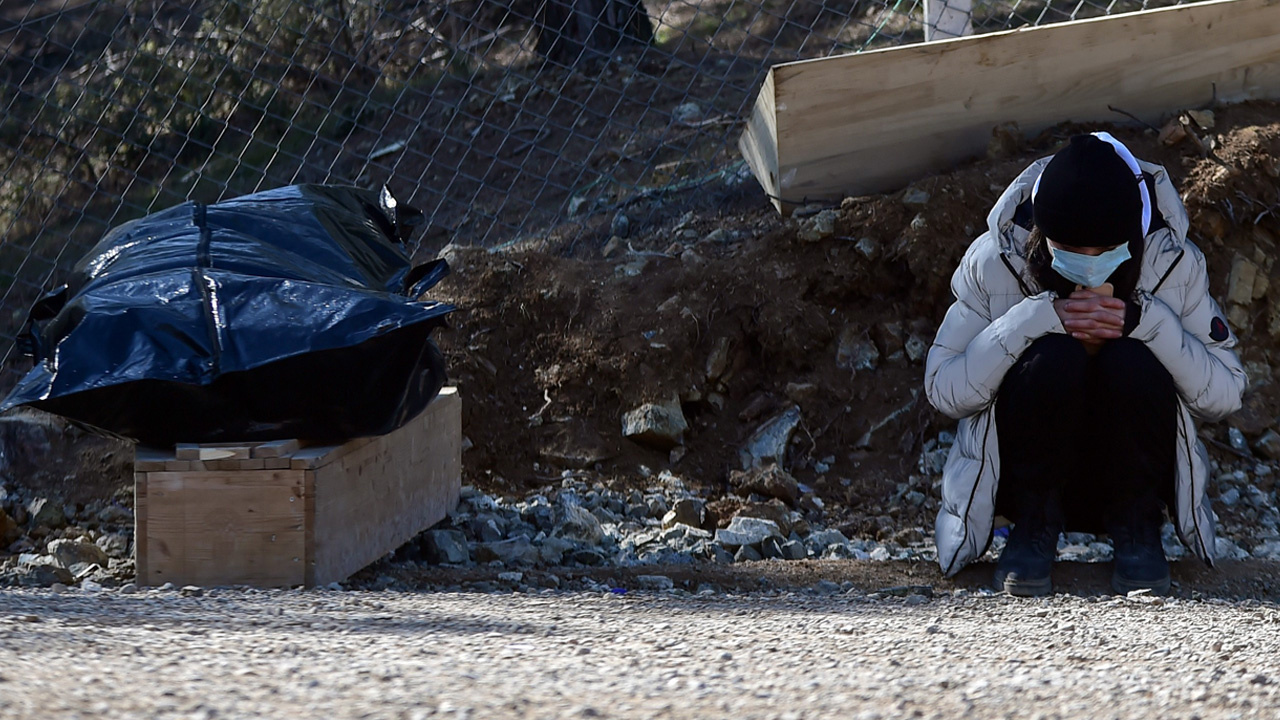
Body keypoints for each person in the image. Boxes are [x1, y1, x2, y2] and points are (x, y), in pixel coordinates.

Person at [924, 132, 1246, 596]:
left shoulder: (1172, 263)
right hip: (1026, 483)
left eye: (1104, 251)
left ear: (1131, 237)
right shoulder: (996, 260)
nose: (1090, 265)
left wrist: (1148, 323)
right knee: (1053, 357)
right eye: (1073, 250)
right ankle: (1034, 528)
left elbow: (1227, 391)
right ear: (1041, 234)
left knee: (1132, 360)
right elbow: (943, 386)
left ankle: (1137, 529)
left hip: (1131, 477)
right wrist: (1032, 321)